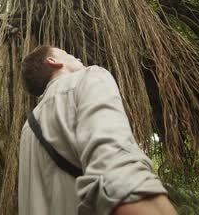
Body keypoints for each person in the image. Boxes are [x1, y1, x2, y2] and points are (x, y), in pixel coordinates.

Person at [18, 45, 178, 215]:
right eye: (68, 54)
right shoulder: (89, 77)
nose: (77, 57)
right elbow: (118, 175)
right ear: (53, 61)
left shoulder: (27, 129)